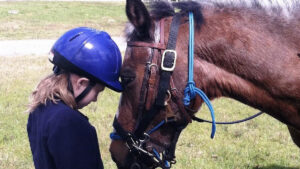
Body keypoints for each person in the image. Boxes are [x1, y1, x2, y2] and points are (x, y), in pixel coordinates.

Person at [27, 27, 123, 169]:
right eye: (98, 91)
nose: (95, 99)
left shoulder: (39, 108)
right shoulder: (71, 124)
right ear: (81, 83)